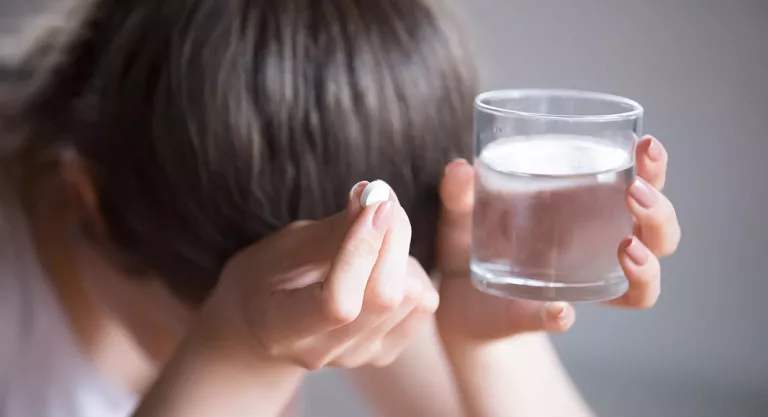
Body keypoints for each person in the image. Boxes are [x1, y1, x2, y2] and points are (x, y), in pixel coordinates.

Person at [0, 0, 681, 416]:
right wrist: (235, 348)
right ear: (87, 199)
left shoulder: (320, 214)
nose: (309, 348)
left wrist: (492, 341)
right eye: (201, 317)